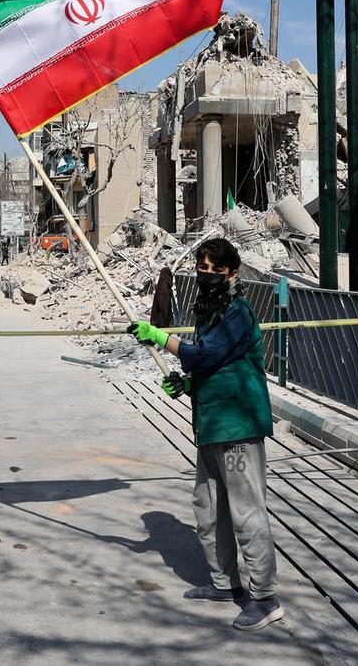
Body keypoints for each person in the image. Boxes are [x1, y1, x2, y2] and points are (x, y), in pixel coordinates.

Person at [127, 238, 282, 632]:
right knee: (209, 509)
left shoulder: (238, 313)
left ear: (232, 271)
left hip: (238, 425)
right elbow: (212, 368)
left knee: (246, 513)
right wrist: (188, 386)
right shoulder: (210, 312)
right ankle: (224, 583)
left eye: (216, 269)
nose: (207, 275)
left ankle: (265, 598)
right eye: (202, 268)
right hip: (211, 424)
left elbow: (208, 354)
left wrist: (161, 337)